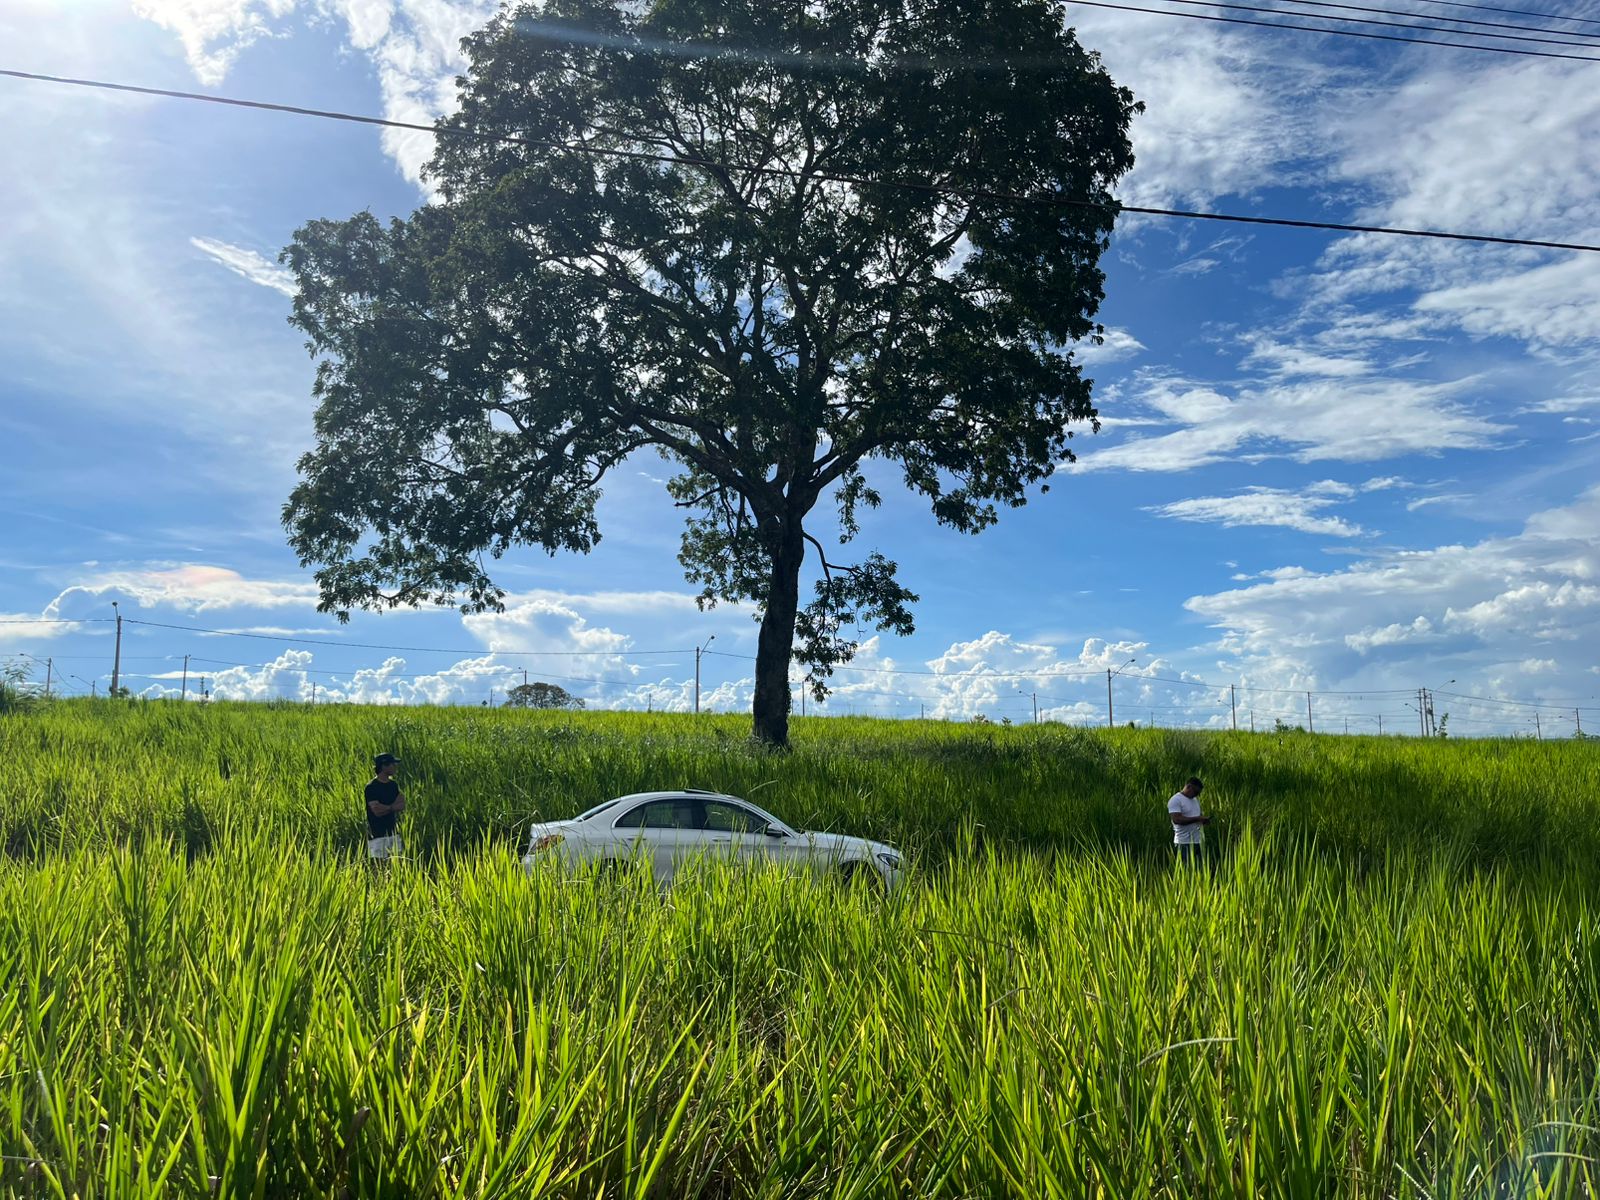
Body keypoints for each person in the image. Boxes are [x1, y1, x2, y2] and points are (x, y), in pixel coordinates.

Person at [365, 753, 407, 861]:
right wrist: (393, 807)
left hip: (393, 831)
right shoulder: (371, 787)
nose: (395, 767)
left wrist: (386, 808)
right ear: (384, 766)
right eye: (393, 764)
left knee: (397, 862)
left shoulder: (393, 785)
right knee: (379, 865)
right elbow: (377, 811)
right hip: (377, 833)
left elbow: (402, 804)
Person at [1168, 776, 1210, 867]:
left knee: (1199, 870)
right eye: (1196, 792)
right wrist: (1197, 819)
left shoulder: (1195, 800)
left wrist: (1203, 820)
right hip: (1184, 842)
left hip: (1198, 841)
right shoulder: (1176, 800)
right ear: (1189, 787)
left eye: (1198, 793)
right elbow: (1177, 819)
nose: (1196, 795)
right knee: (1186, 870)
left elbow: (1196, 816)